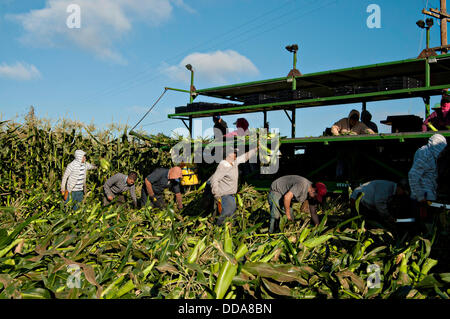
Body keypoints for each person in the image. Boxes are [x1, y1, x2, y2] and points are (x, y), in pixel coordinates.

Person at [209, 146, 258, 225]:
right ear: (228, 155)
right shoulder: (223, 166)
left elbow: (245, 157)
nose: (235, 154)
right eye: (233, 153)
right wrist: (217, 194)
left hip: (231, 196)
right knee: (225, 217)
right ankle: (219, 231)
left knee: (231, 217)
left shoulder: (234, 162)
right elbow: (214, 179)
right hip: (225, 196)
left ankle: (229, 232)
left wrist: (256, 148)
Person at [408, 134, 447, 220]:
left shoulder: (427, 153)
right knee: (425, 224)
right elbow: (413, 175)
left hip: (425, 197)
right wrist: (420, 196)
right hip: (424, 199)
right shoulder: (426, 155)